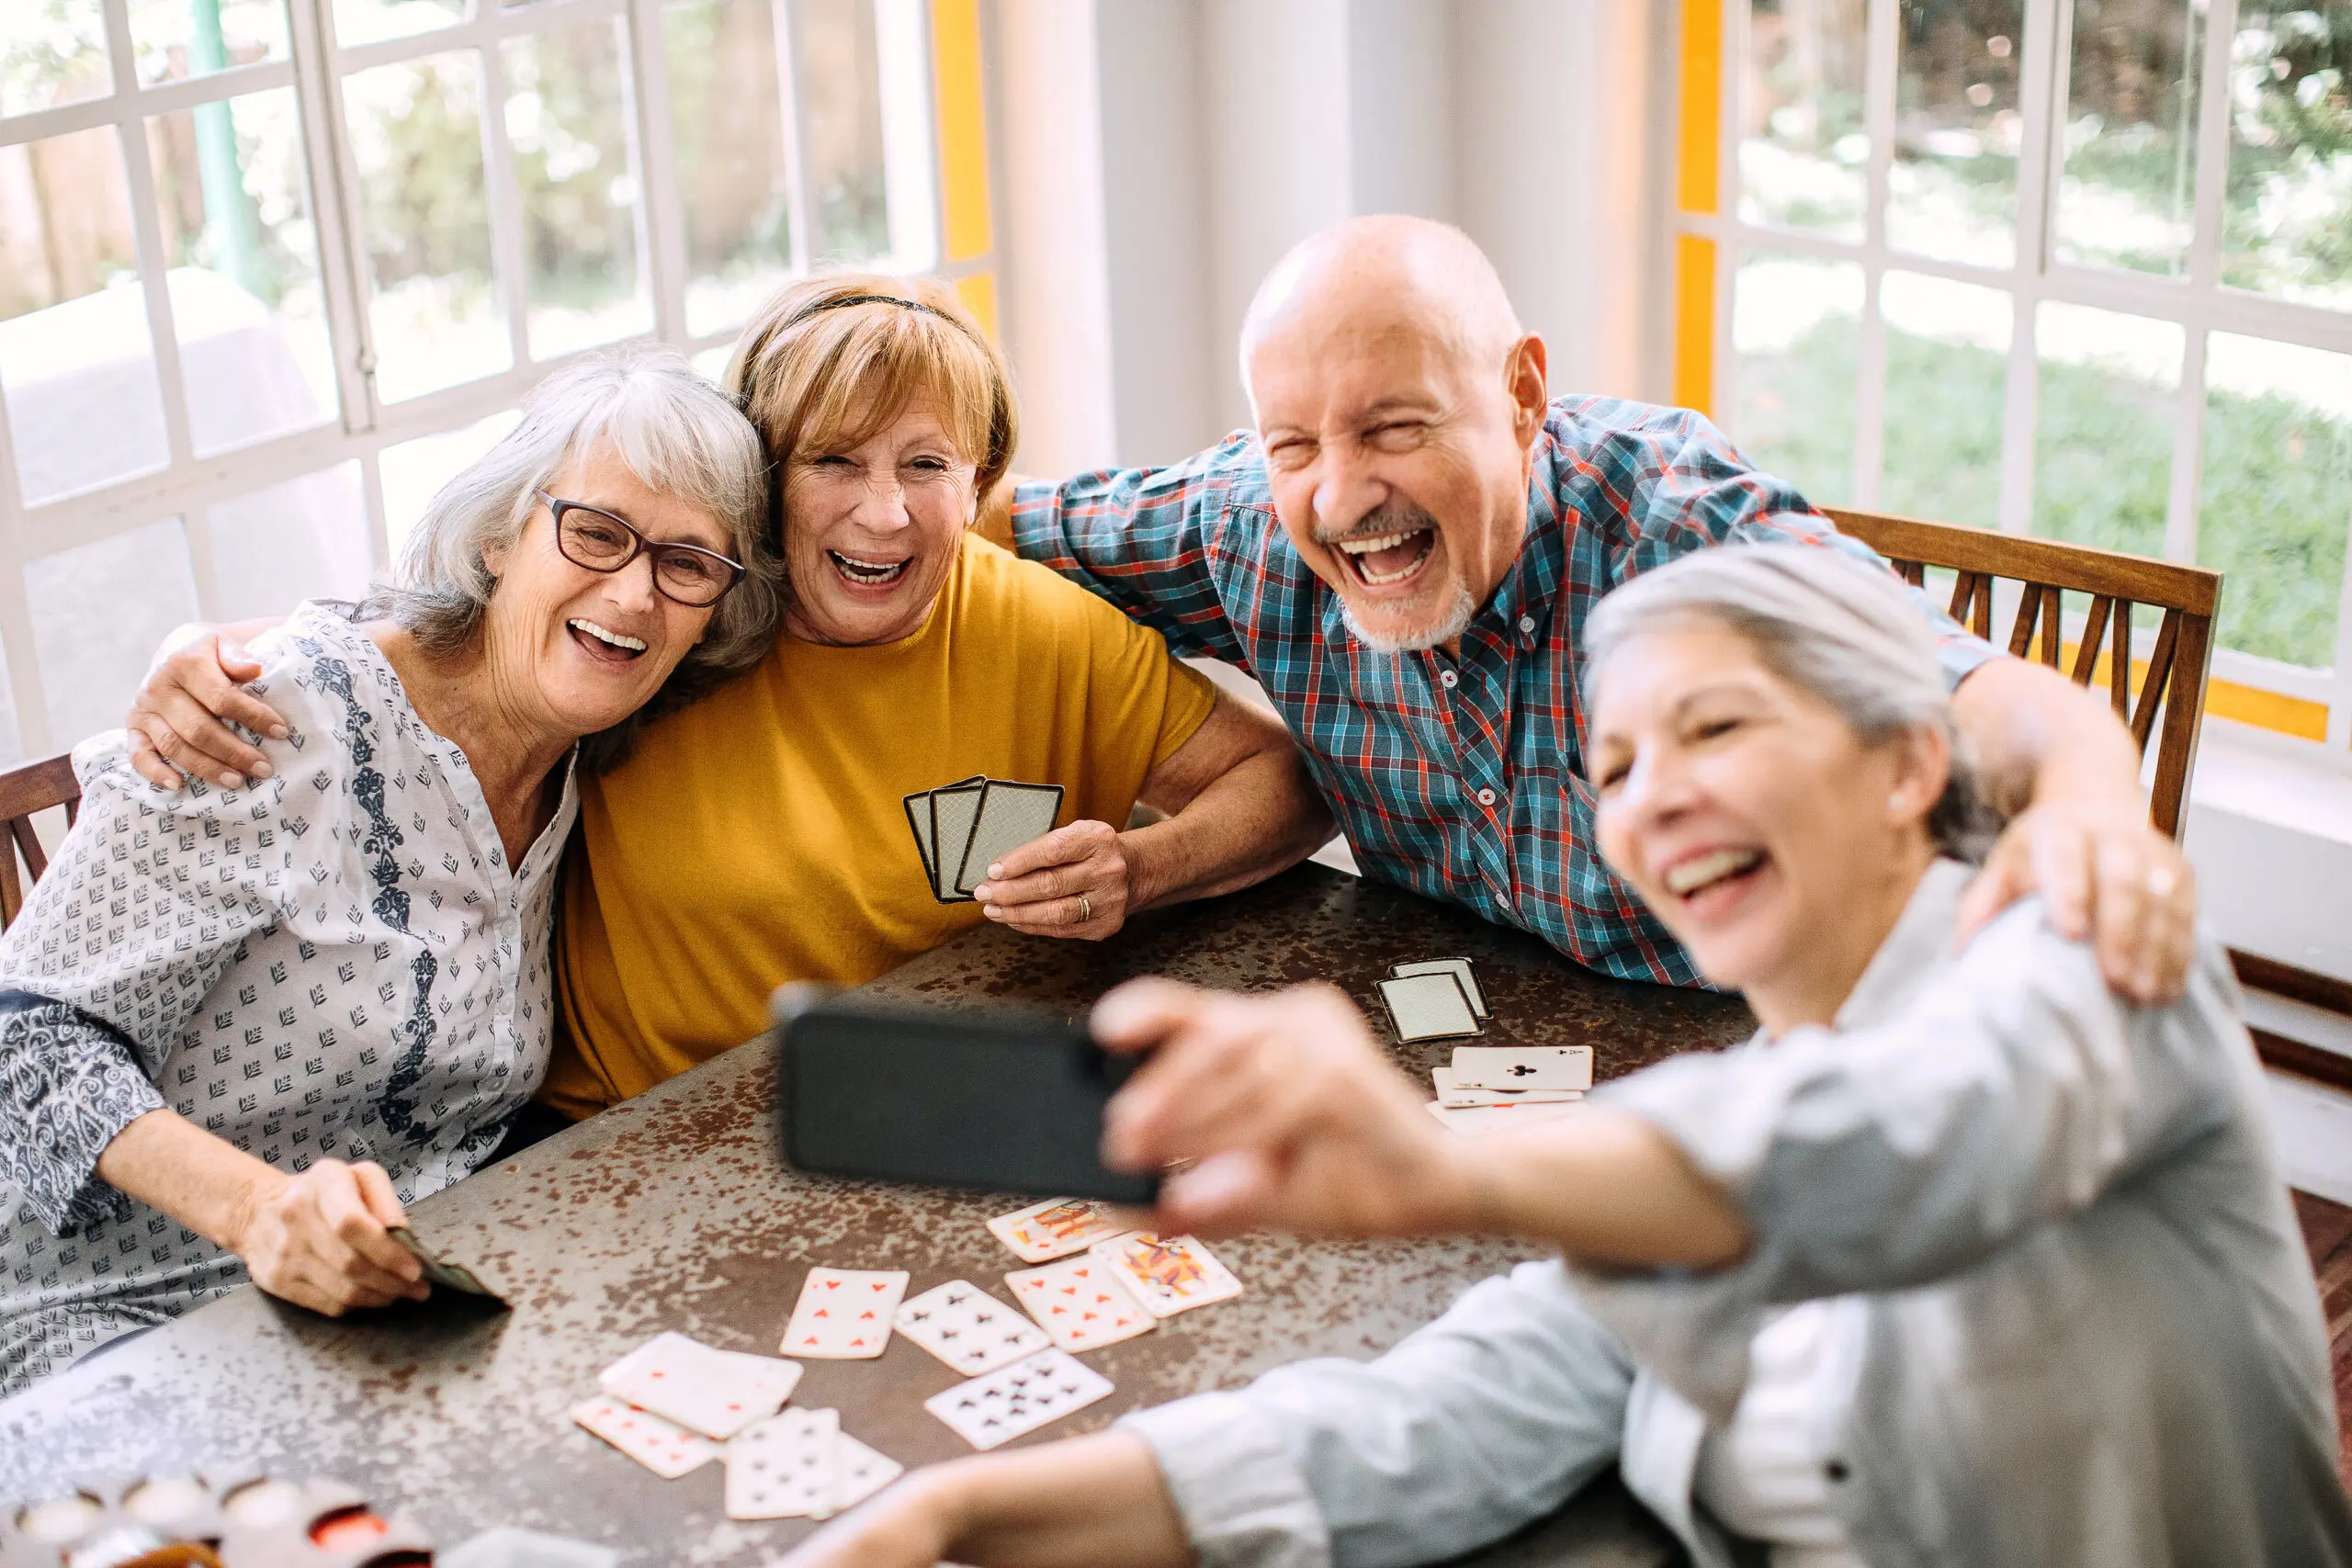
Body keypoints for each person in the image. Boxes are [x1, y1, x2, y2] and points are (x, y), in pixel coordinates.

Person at [775, 542, 2352, 1568]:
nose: (1650, 798)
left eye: (1717, 730)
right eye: (1615, 763)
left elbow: (1905, 1146)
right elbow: (1441, 1413)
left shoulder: (2087, 959)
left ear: (1906, 762)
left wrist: (1439, 1164)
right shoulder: (1687, 1118)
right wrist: (960, 1509)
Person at [115, 275, 1331, 1121]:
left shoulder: (1036, 624)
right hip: (627, 1133)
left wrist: (1146, 865)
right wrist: (249, 651)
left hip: (935, 1104)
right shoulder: (673, 628)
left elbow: (1285, 778)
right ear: (762, 477)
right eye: (834, 460)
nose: (884, 511)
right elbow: (462, 634)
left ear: (983, 481)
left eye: (927, 465)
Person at [982, 214, 2197, 1003]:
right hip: (1452, 1036)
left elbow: (1988, 693)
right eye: (1294, 440)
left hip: (1746, 1038)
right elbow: (984, 519)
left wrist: (2093, 804)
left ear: (1521, 395)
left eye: (1394, 427)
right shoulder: (1246, 521)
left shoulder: (1681, 529)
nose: (1344, 492)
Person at [0, 348, 776, 1393]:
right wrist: (259, 1212)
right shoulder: (269, 719)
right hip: (110, 1313)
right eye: (595, 533)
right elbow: (24, 1045)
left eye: (686, 564)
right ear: (502, 537)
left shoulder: (601, 748)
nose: (633, 593)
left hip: (391, 1308)